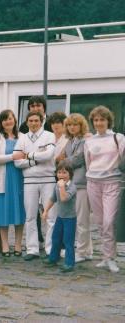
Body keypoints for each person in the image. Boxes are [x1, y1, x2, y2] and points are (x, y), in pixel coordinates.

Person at [84, 106, 124, 273]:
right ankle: (106, 257)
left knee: (109, 221)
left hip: (112, 183)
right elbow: (88, 163)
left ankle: (111, 258)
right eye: (96, 120)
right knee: (100, 223)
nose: (99, 123)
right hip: (93, 183)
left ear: (108, 121)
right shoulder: (89, 141)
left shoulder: (118, 138)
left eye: (102, 119)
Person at [14, 112, 56, 261]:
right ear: (27, 121)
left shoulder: (49, 135)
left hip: (48, 179)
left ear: (41, 121)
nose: (33, 123)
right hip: (29, 180)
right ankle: (32, 249)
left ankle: (51, 249)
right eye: (30, 120)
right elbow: (17, 161)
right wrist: (36, 158)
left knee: (51, 216)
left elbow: (49, 155)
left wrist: (29, 155)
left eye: (36, 120)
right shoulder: (22, 138)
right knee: (30, 216)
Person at [0, 110, 26, 257]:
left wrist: (20, 157)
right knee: (2, 213)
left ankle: (18, 244)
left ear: (15, 120)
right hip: (2, 179)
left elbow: (26, 154)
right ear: (1, 122)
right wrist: (13, 156)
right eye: (4, 119)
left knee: (19, 212)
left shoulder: (22, 136)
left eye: (10, 119)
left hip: (19, 178)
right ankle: (4, 245)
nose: (7, 122)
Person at [61, 113, 92, 263]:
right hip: (73, 184)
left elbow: (79, 159)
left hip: (82, 183)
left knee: (82, 219)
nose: (72, 127)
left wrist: (64, 162)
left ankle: (82, 251)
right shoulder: (70, 141)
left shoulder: (86, 141)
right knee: (77, 218)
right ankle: (87, 250)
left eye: (75, 124)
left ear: (81, 126)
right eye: (69, 125)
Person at [42, 161, 77, 272]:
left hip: (70, 219)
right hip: (60, 217)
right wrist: (46, 210)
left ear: (70, 174)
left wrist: (62, 187)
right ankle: (53, 258)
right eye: (59, 172)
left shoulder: (72, 187)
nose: (61, 175)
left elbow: (63, 198)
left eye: (64, 172)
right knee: (55, 238)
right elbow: (53, 199)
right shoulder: (56, 185)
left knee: (68, 241)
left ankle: (69, 263)